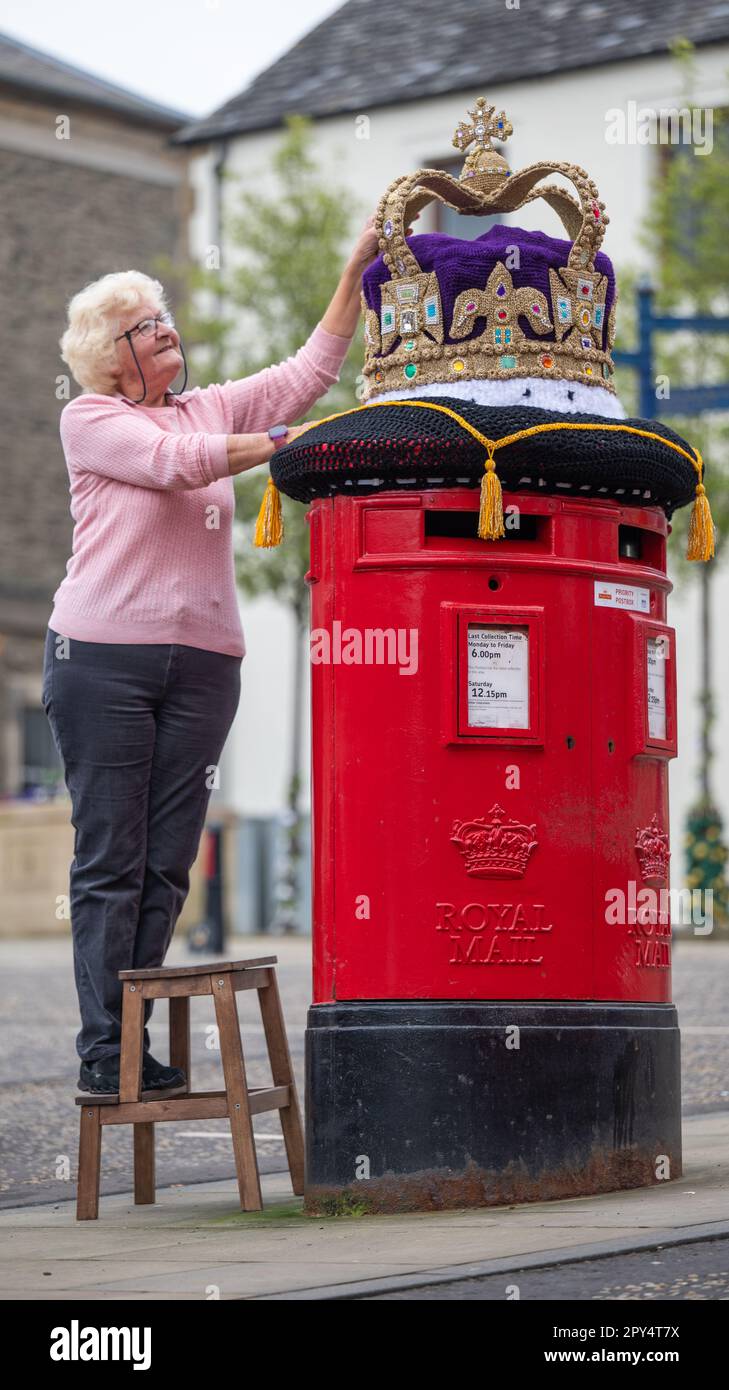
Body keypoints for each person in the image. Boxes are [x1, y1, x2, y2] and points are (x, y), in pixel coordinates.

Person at [43, 214, 384, 1094]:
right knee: (111, 858)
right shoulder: (91, 418)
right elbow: (179, 465)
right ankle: (101, 1054)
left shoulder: (211, 406)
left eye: (164, 319)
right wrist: (288, 447)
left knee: (165, 862)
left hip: (202, 665)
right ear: (113, 357)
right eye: (145, 326)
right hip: (102, 661)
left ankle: (131, 1041)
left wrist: (353, 271)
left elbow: (310, 373)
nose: (167, 332)